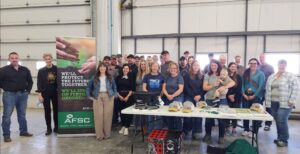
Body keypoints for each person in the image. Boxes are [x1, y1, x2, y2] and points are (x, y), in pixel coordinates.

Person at [0, 52, 33, 142]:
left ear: (18, 58)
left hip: (23, 95)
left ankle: (23, 131)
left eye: (16, 58)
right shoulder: (3, 70)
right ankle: (6, 135)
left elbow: (30, 81)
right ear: (9, 59)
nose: (14, 59)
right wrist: (6, 88)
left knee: (22, 115)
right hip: (9, 95)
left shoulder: (25, 69)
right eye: (12, 58)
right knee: (7, 116)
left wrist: (28, 91)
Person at [265, 59, 299, 147]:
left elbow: (296, 88)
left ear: (285, 65)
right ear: (278, 65)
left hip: (285, 102)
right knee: (277, 121)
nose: (281, 66)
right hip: (272, 102)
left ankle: (284, 140)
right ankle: (280, 138)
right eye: (280, 64)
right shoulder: (272, 76)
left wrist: (292, 100)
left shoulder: (290, 76)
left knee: (282, 120)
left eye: (283, 65)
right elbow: (268, 89)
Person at [202, 59, 235, 144]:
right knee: (209, 118)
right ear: (210, 66)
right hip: (210, 99)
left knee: (221, 119)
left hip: (222, 99)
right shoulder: (207, 75)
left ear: (218, 66)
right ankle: (208, 134)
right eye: (212, 65)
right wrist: (213, 85)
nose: (213, 67)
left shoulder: (222, 74)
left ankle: (221, 136)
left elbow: (233, 83)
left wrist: (224, 87)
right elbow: (204, 88)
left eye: (215, 65)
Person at [86, 62, 117, 141]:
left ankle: (107, 135)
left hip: (108, 96)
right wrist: (89, 96)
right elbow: (88, 87)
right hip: (97, 97)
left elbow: (114, 87)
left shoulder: (110, 77)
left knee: (108, 116)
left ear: (106, 68)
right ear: (99, 68)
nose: (102, 68)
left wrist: (114, 96)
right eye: (101, 67)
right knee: (98, 116)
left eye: (104, 67)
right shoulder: (94, 77)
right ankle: (99, 135)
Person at [241, 58, 265, 137]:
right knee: (245, 114)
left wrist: (254, 95)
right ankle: (246, 129)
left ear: (257, 64)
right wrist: (244, 94)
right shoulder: (246, 72)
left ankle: (254, 131)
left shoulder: (261, 74)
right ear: (249, 64)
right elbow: (242, 84)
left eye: (254, 63)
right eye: (251, 63)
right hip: (246, 95)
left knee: (255, 114)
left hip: (256, 96)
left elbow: (261, 86)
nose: (253, 65)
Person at [36, 53, 58, 135]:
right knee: (47, 111)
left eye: (49, 58)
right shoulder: (41, 71)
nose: (48, 60)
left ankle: (56, 127)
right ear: (44, 60)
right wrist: (39, 94)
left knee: (56, 110)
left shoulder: (56, 69)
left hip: (55, 92)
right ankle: (49, 128)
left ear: (52, 59)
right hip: (45, 93)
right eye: (46, 59)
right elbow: (39, 83)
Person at [183, 60, 204, 140]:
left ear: (199, 67)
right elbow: (186, 88)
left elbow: (204, 88)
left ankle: (197, 131)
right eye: (194, 65)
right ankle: (187, 130)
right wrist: (193, 96)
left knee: (198, 113)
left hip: (200, 96)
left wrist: (200, 95)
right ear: (191, 66)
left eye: (197, 65)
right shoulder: (187, 75)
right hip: (189, 96)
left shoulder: (202, 76)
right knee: (187, 112)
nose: (196, 67)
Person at [142, 62, 165, 133]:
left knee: (159, 115)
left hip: (158, 98)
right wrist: (149, 94)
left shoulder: (162, 76)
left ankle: (158, 131)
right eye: (153, 66)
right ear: (151, 67)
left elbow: (163, 89)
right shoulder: (146, 76)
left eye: (156, 66)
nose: (155, 68)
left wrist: (161, 94)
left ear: (158, 68)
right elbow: (144, 88)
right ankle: (150, 131)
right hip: (149, 98)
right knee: (149, 115)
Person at [162, 62, 184, 131]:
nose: (173, 69)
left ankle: (179, 132)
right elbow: (163, 88)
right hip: (168, 96)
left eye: (174, 68)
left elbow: (181, 89)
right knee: (169, 115)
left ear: (177, 69)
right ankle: (171, 131)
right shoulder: (167, 77)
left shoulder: (180, 77)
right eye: (171, 68)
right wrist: (167, 95)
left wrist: (173, 95)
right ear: (169, 69)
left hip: (178, 97)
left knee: (177, 115)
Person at [115, 64, 135, 136]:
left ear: (129, 70)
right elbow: (115, 88)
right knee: (122, 112)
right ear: (122, 69)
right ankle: (123, 126)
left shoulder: (131, 78)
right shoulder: (118, 78)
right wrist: (119, 96)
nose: (125, 70)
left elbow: (132, 89)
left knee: (128, 113)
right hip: (120, 97)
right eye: (124, 68)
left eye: (127, 68)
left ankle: (127, 127)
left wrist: (127, 97)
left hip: (129, 97)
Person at [258, 53, 274, 131]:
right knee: (258, 106)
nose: (261, 59)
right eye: (260, 57)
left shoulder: (270, 67)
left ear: (265, 58)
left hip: (267, 90)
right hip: (259, 90)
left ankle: (268, 124)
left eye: (263, 57)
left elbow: (273, 78)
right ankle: (258, 122)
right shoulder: (257, 67)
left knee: (268, 107)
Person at [226, 62, 242, 136]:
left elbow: (239, 88)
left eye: (234, 67)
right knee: (227, 114)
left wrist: (233, 96)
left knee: (235, 114)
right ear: (229, 67)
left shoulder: (239, 77)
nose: (233, 68)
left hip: (236, 98)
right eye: (232, 66)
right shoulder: (226, 76)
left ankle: (234, 128)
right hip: (227, 98)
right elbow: (224, 87)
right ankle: (227, 127)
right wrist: (229, 95)